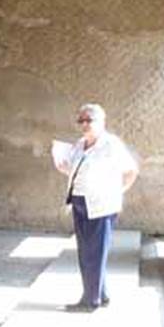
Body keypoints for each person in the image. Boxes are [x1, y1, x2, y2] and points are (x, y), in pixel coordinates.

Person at [55, 103, 139, 313]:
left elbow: (131, 171)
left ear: (101, 122)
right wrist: (65, 168)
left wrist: (117, 193)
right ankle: (101, 294)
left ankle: (90, 300)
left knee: (95, 252)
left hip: (101, 205)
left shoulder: (111, 144)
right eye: (81, 120)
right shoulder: (80, 144)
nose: (84, 124)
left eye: (88, 120)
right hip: (79, 201)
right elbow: (78, 171)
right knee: (85, 251)